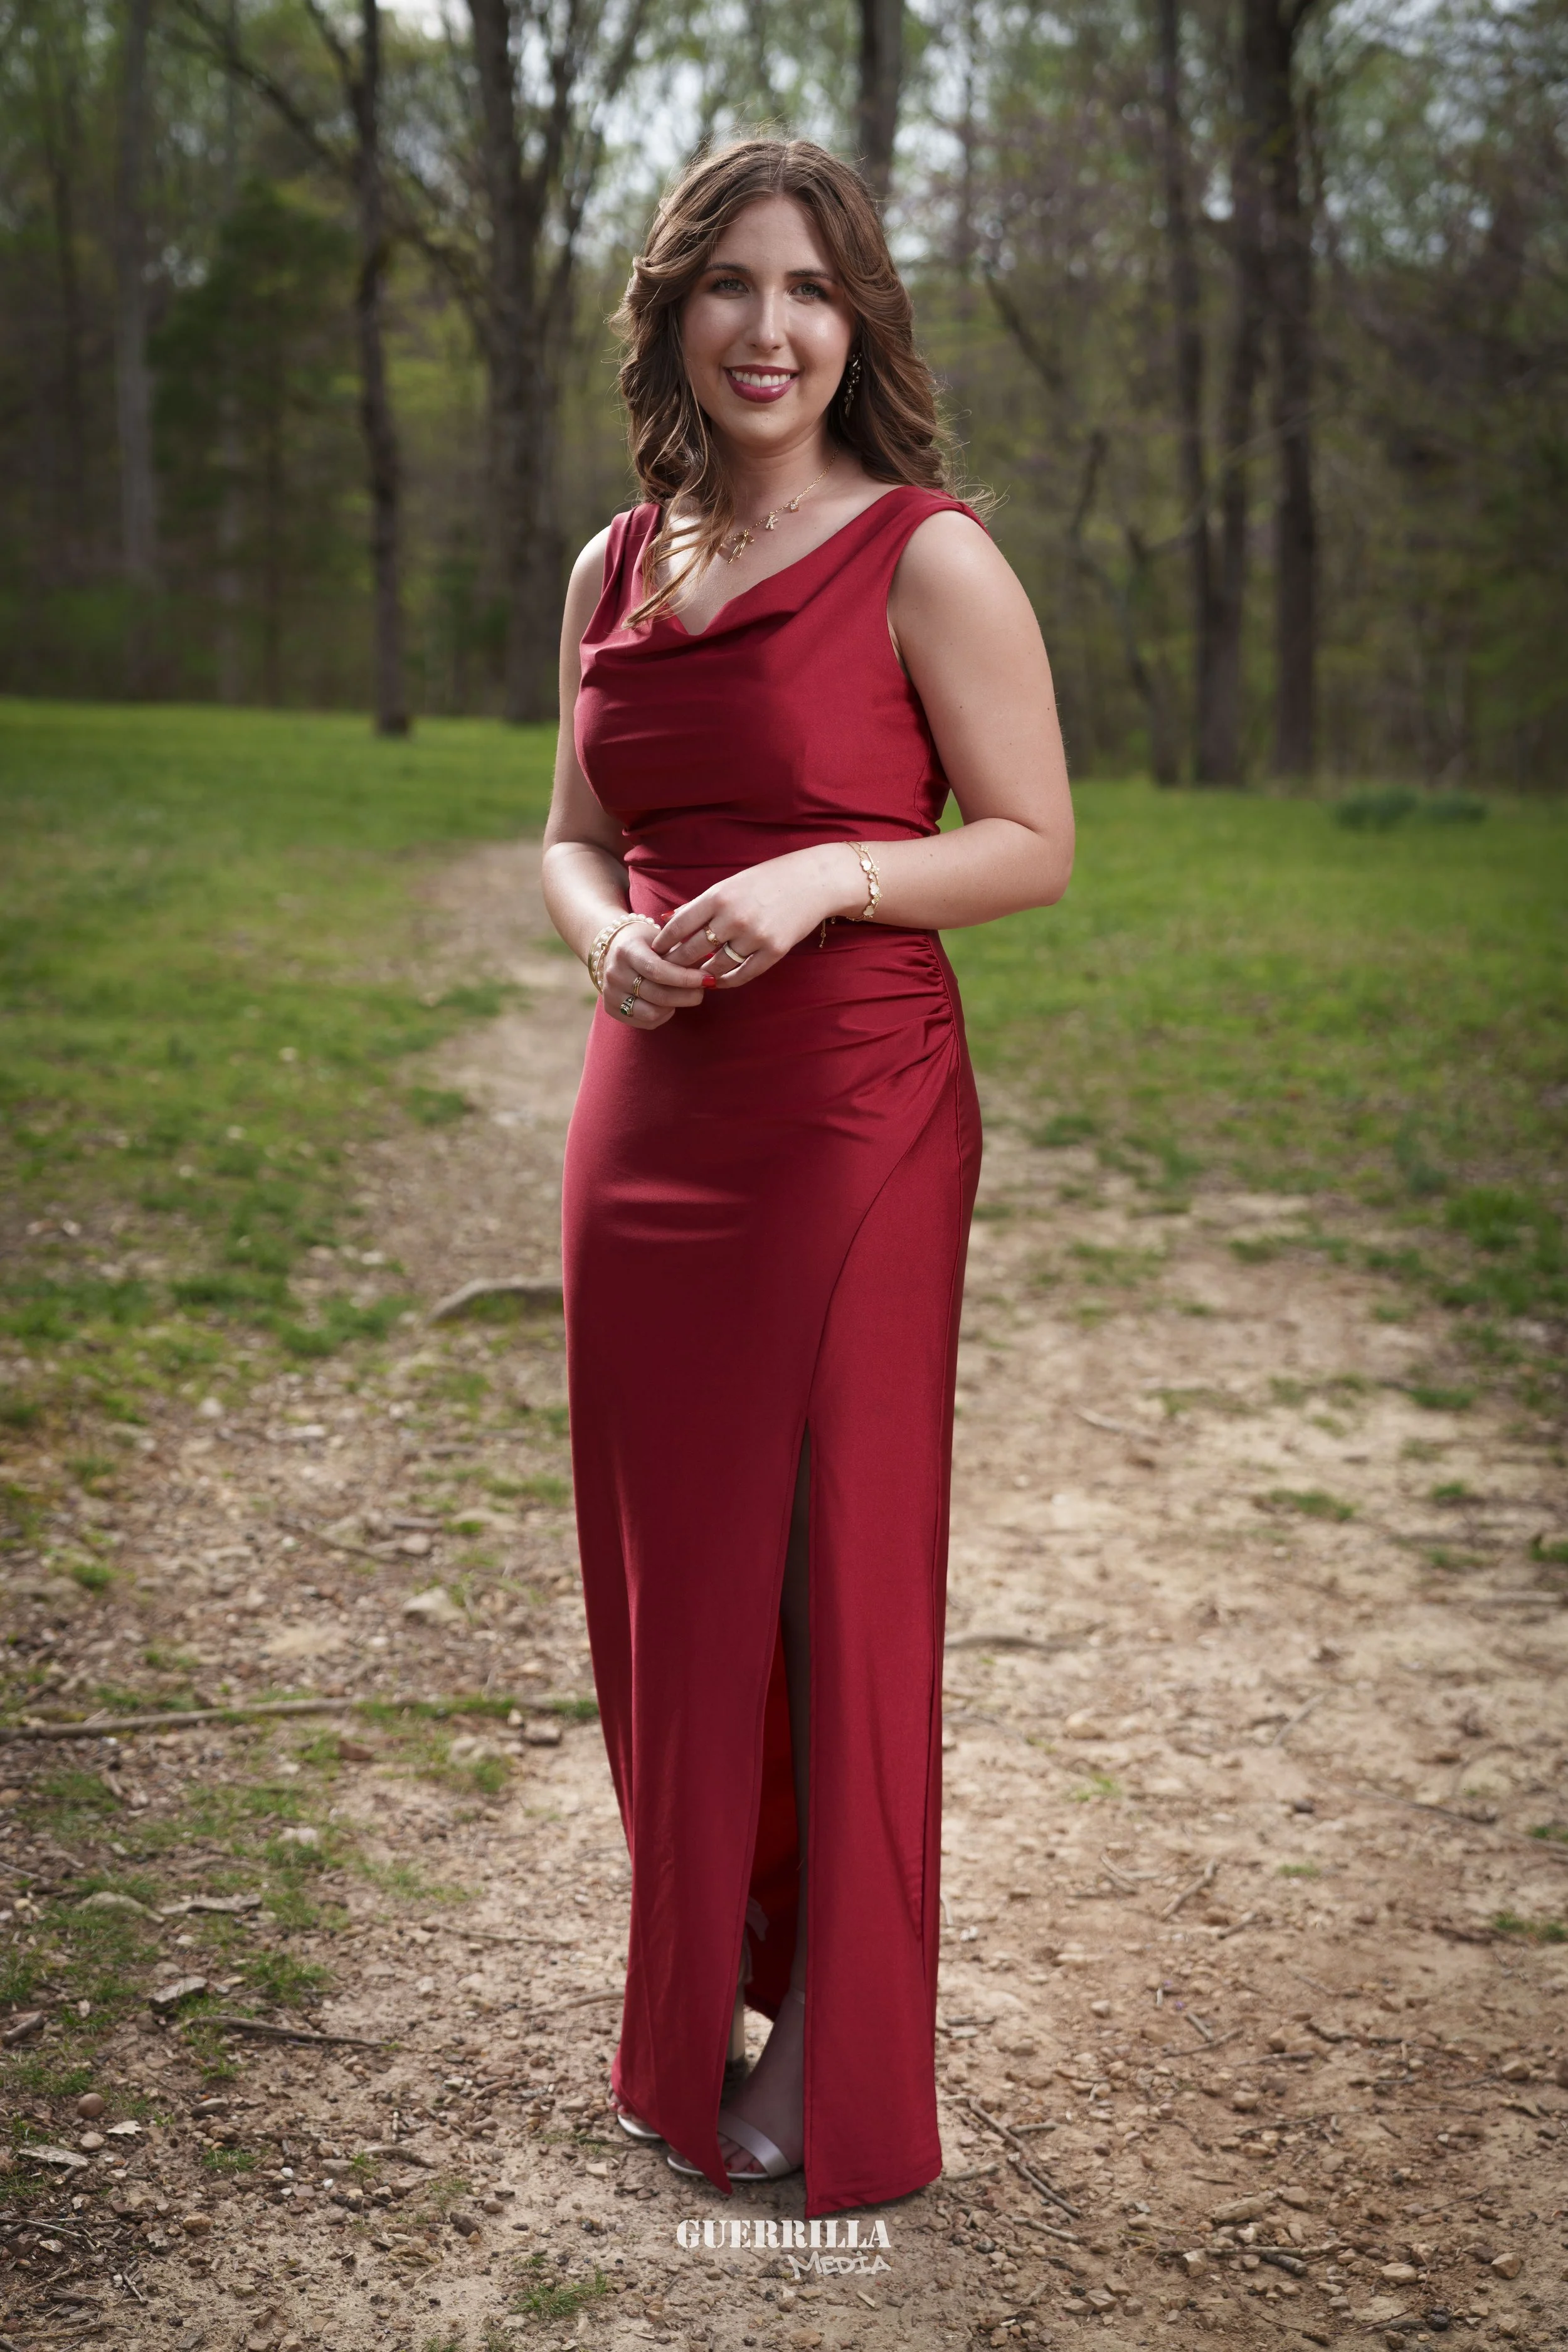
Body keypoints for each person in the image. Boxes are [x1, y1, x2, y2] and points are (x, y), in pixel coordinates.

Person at [542, 135, 1073, 2218]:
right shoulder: (614, 565)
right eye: (731, 287)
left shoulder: (926, 553)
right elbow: (573, 831)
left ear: (859, 325)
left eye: (812, 291)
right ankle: (716, 2002)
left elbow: (1029, 838)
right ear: (675, 311)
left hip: (852, 1114)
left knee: (829, 1583)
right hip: (645, 1109)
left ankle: (844, 2064)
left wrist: (833, 876)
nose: (771, 328)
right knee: (664, 1595)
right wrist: (600, 937)